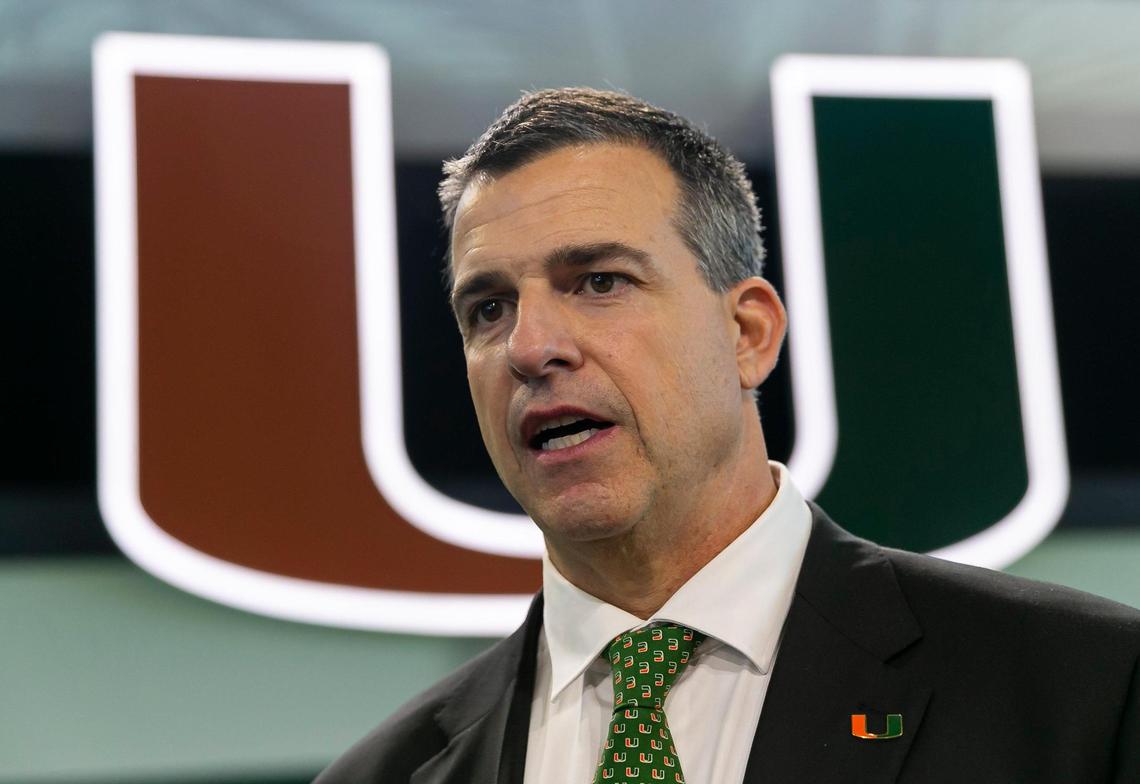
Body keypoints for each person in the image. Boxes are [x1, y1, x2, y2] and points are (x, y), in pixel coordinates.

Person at [315, 88, 1139, 783]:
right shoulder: (381, 774)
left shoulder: (1083, 691)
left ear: (748, 333)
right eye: (488, 309)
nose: (530, 348)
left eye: (599, 281)